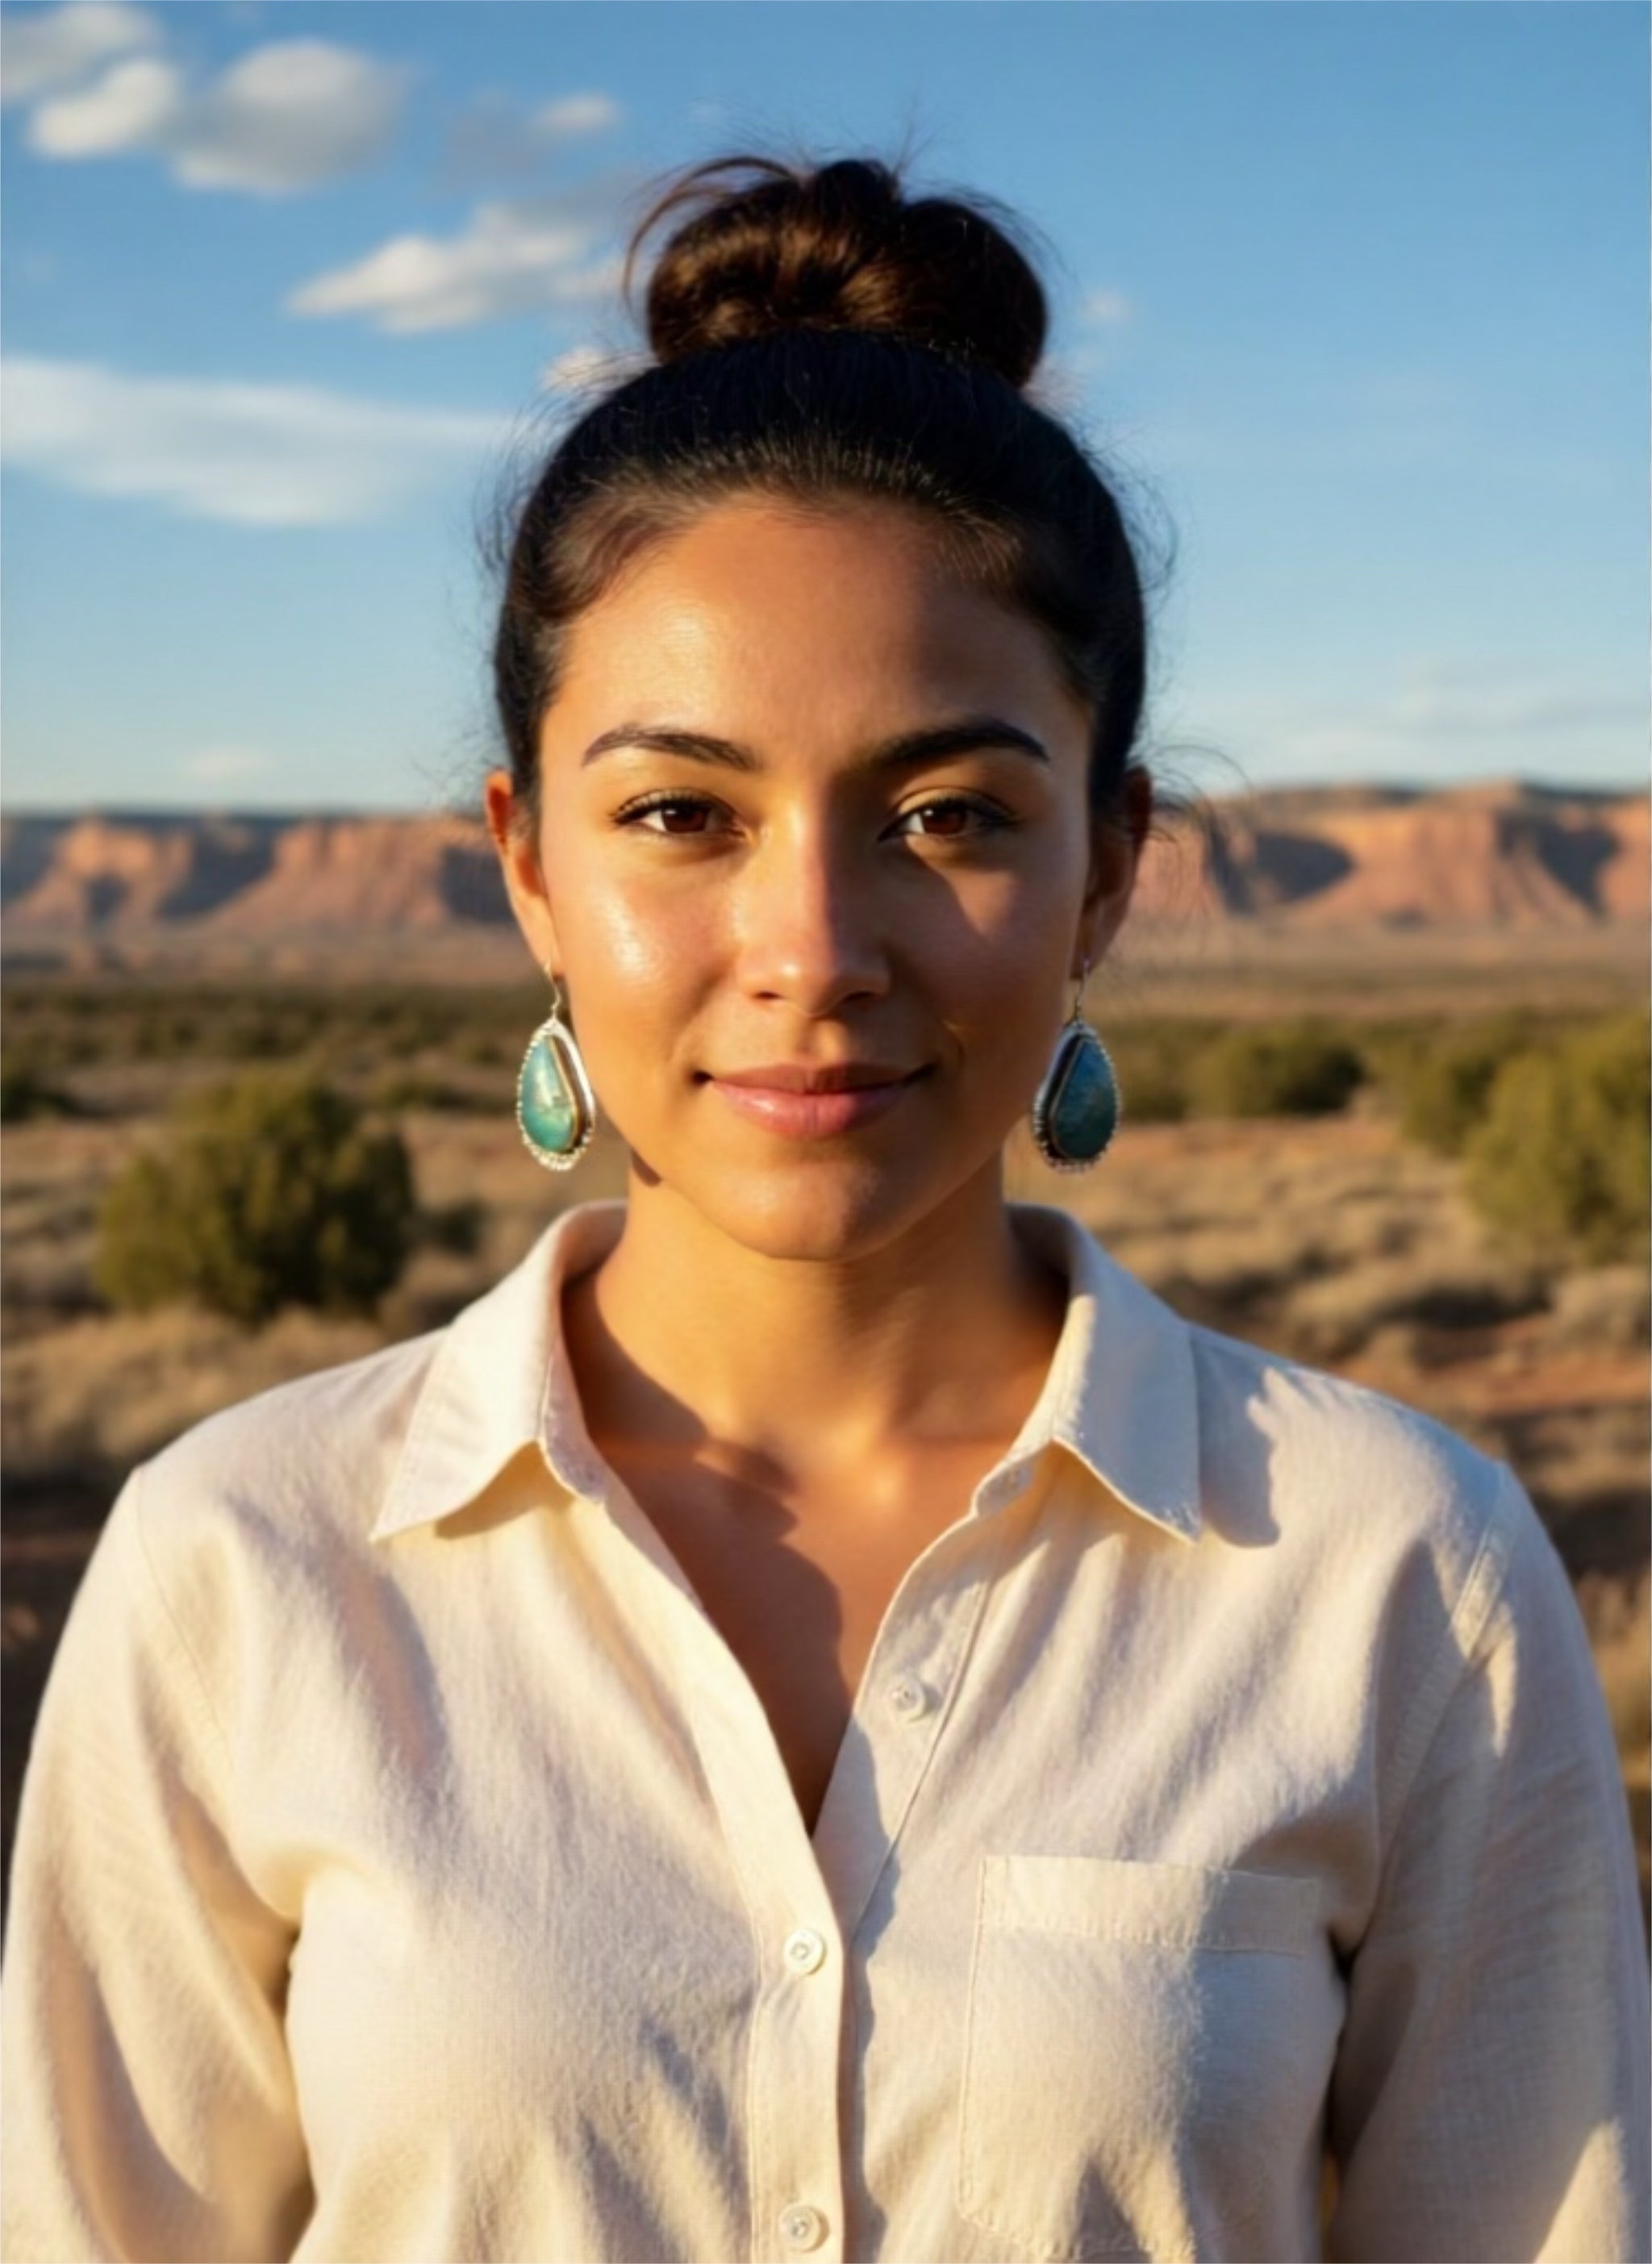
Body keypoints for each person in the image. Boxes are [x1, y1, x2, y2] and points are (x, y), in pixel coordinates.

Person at [2, 152, 1646, 2264]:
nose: (813, 943)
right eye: (681, 812)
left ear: (1114, 868)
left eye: (949, 815)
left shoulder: (1392, 1574)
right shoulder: (245, 1565)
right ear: (525, 863)